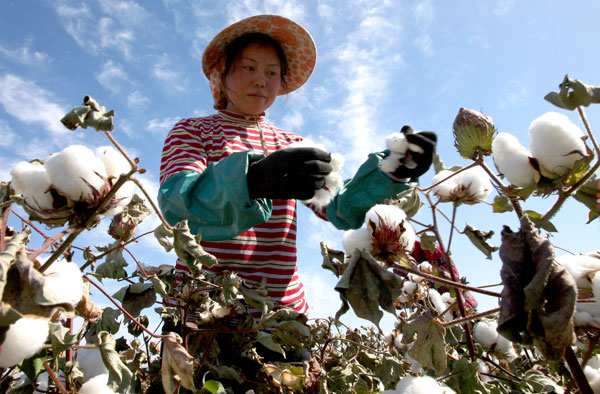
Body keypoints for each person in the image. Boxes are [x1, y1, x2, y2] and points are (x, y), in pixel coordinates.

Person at [157, 14, 436, 320]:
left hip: (279, 313)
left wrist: (391, 171)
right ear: (222, 73)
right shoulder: (192, 131)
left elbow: (338, 207)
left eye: (272, 72)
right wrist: (251, 180)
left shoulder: (291, 144)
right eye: (248, 67)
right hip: (202, 306)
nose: (260, 80)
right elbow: (177, 203)